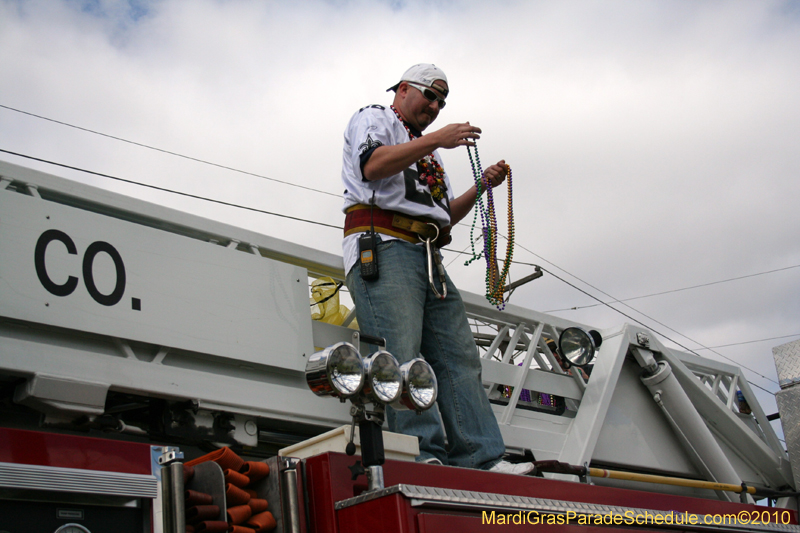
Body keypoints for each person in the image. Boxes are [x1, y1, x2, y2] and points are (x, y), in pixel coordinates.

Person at [341, 64, 533, 475]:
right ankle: (420, 454)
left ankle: (484, 456)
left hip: (427, 253)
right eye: (430, 95)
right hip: (386, 246)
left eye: (442, 102)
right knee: (402, 353)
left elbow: (442, 218)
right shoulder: (374, 117)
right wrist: (437, 140)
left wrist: (481, 186)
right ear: (404, 89)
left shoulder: (426, 151)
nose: (436, 105)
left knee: (459, 358)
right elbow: (372, 166)